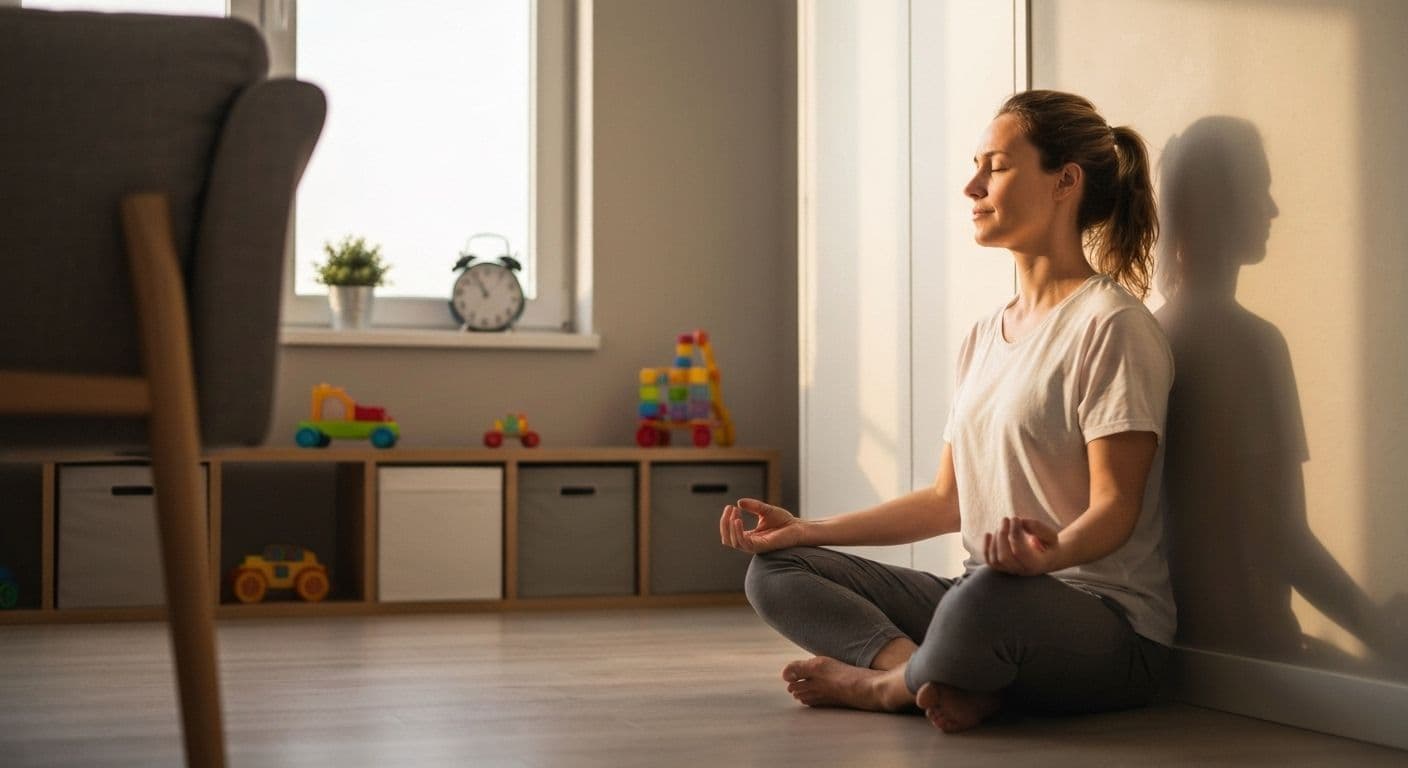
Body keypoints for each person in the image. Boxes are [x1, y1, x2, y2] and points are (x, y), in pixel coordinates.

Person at [721, 90, 1175, 733]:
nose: (972, 186)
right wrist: (805, 530)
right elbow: (945, 501)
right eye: (976, 166)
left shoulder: (1112, 325)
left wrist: (1045, 560)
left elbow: (1115, 508)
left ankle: (884, 687)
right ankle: (930, 676)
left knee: (986, 595)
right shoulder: (984, 336)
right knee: (776, 572)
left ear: (1064, 182)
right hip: (986, 597)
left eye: (997, 167)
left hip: (1103, 624)